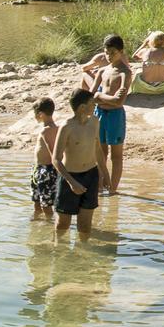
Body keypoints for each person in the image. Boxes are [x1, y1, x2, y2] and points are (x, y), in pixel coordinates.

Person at [77, 34, 131, 194]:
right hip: (99, 113)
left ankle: (113, 189)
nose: (109, 56)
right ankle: (100, 186)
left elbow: (119, 102)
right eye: (107, 52)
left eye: (113, 53)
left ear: (121, 52)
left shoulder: (125, 72)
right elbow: (91, 96)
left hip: (115, 116)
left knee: (116, 155)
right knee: (100, 153)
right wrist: (105, 98)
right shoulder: (102, 71)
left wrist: (100, 96)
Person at [52, 89, 101, 237]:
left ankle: (83, 249)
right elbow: (56, 159)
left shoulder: (95, 121)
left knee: (85, 225)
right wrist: (72, 182)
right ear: (82, 107)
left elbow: (98, 148)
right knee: (63, 224)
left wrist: (104, 174)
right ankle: (58, 247)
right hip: (70, 177)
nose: (95, 106)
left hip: (91, 175)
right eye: (92, 103)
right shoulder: (67, 126)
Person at [30, 98, 59, 219]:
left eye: (35, 113)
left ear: (40, 114)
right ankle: (36, 220)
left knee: (46, 204)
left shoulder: (46, 130)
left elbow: (53, 153)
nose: (34, 116)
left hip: (46, 171)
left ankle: (49, 223)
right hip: (38, 169)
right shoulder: (52, 128)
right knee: (36, 201)